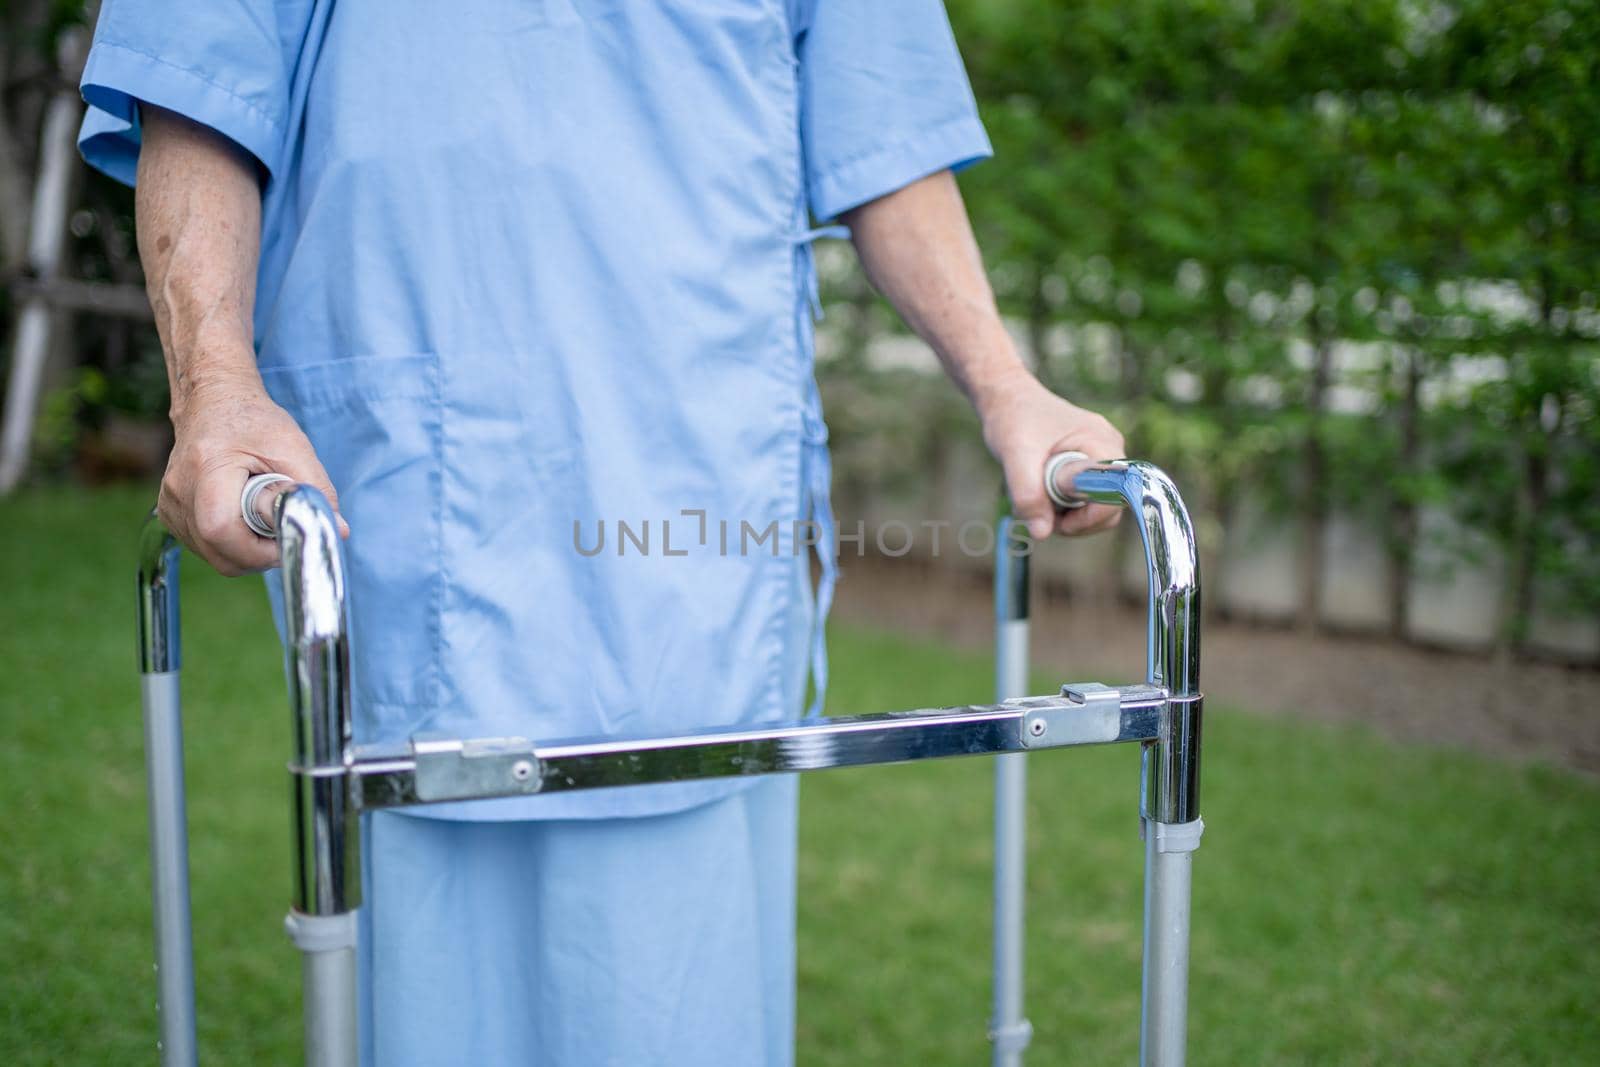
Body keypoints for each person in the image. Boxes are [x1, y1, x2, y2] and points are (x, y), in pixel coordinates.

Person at [79, 1, 1124, 1063]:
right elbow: (205, 80)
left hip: (693, 494)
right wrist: (212, 388)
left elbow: (881, 128)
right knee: (438, 1000)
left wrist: (1006, 386)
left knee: (685, 982)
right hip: (425, 471)